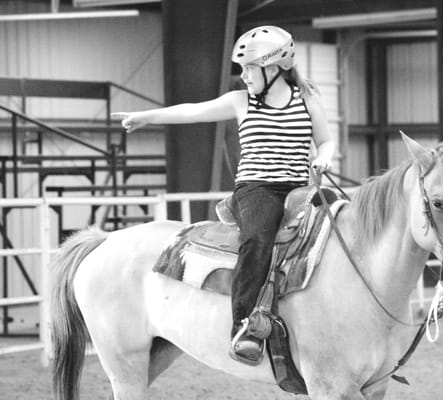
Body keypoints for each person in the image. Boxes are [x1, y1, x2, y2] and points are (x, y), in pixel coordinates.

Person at [112, 25, 335, 365]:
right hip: (258, 189)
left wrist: (323, 157)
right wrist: (147, 117)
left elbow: (326, 140)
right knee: (257, 240)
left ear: (273, 68)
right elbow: (191, 111)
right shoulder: (239, 101)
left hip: (300, 189)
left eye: (249, 68)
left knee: (339, 228)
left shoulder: (307, 98)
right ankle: (244, 324)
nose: (243, 76)